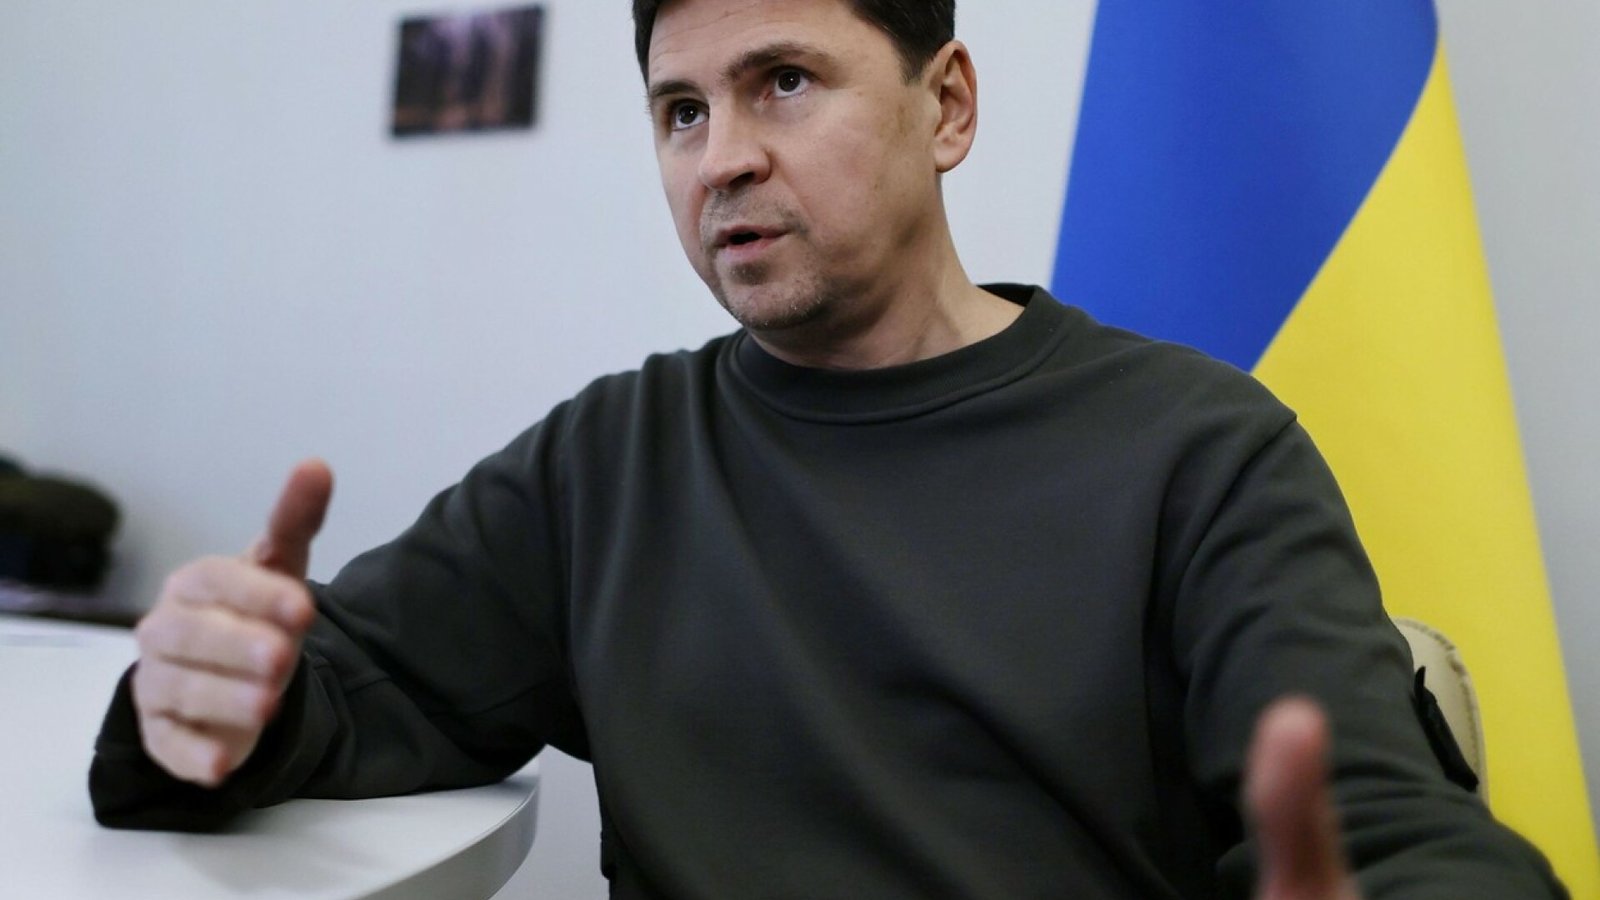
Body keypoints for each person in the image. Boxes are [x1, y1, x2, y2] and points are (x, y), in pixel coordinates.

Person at [89, 1, 1567, 897]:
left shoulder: (1201, 448)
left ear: (948, 106)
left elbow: (1376, 822)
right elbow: (352, 693)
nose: (721, 155)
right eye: (681, 110)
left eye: (783, 81)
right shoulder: (613, 460)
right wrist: (210, 699)